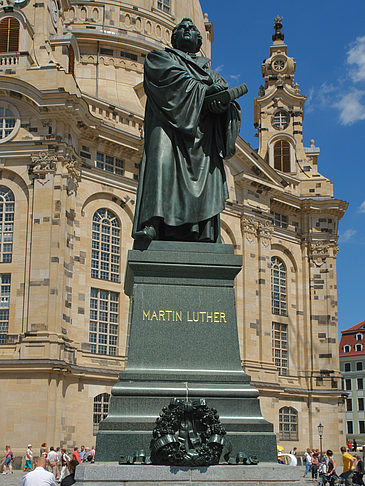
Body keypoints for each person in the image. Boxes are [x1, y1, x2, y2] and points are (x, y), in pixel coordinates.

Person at [132, 18, 241, 243]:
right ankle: (153, 223)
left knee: (207, 169)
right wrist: (205, 91)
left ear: (200, 40)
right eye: (182, 28)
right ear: (174, 38)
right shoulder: (160, 58)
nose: (188, 31)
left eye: (192, 28)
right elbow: (170, 82)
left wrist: (222, 106)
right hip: (168, 127)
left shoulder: (213, 75)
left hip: (202, 137)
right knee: (160, 161)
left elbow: (224, 106)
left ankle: (201, 230)